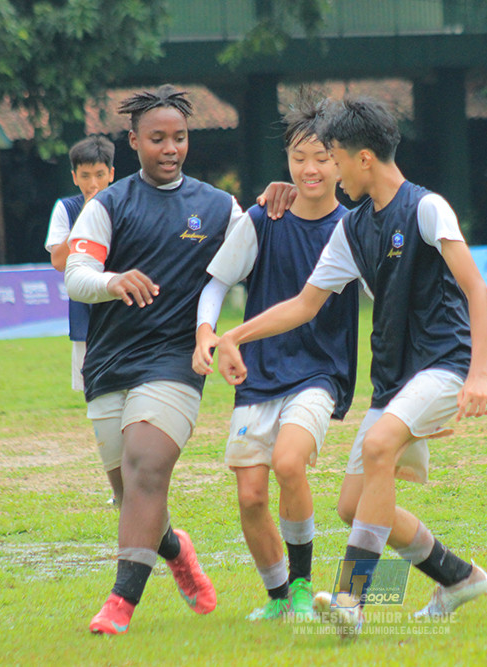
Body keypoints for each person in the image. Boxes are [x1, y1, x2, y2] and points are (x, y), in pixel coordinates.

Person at [215, 96, 487, 639]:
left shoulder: (427, 208)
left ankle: (351, 598)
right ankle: (458, 577)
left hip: (444, 364)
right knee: (351, 505)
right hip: (392, 381)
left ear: (364, 159)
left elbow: (476, 291)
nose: (331, 172)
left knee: (378, 447)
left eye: (335, 159)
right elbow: (304, 305)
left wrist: (478, 375)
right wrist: (234, 335)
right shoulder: (352, 229)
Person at [65, 85, 234, 635]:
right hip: (109, 362)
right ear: (133, 142)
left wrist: (280, 198)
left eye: (179, 138)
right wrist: (112, 281)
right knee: (131, 494)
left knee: (146, 466)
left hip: (175, 360)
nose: (170, 148)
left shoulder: (219, 207)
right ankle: (175, 550)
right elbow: (76, 277)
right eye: (158, 138)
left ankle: (120, 602)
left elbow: (258, 248)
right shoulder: (108, 205)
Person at [191, 95, 359, 621]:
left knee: (288, 462)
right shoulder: (264, 218)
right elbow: (217, 282)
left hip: (320, 372)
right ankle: (279, 597)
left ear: (341, 162)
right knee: (250, 496)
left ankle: (305, 587)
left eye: (322, 158)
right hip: (257, 371)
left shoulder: (355, 227)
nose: (310, 169)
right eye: (298, 157)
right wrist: (205, 333)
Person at [44, 135, 116, 393]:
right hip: (85, 311)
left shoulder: (125, 205)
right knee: (93, 390)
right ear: (74, 177)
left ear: (111, 174)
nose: (93, 184)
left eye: (99, 175)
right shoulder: (66, 209)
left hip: (122, 307)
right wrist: (84, 217)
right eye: (85, 176)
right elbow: (58, 261)